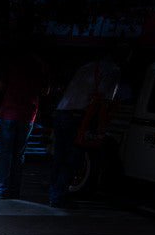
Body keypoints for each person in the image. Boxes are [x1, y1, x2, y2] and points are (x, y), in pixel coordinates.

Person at [49, 51, 120, 208]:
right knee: (73, 158)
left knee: (60, 156)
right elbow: (103, 100)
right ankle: (58, 195)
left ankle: (54, 191)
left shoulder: (86, 67)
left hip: (63, 112)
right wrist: (101, 127)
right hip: (78, 116)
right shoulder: (112, 70)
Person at [0, 48, 49, 199]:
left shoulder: (13, 63)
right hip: (28, 114)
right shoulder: (40, 65)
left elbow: (0, 87)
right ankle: (15, 190)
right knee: (19, 154)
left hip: (9, 112)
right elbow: (45, 90)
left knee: (6, 153)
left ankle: (2, 189)